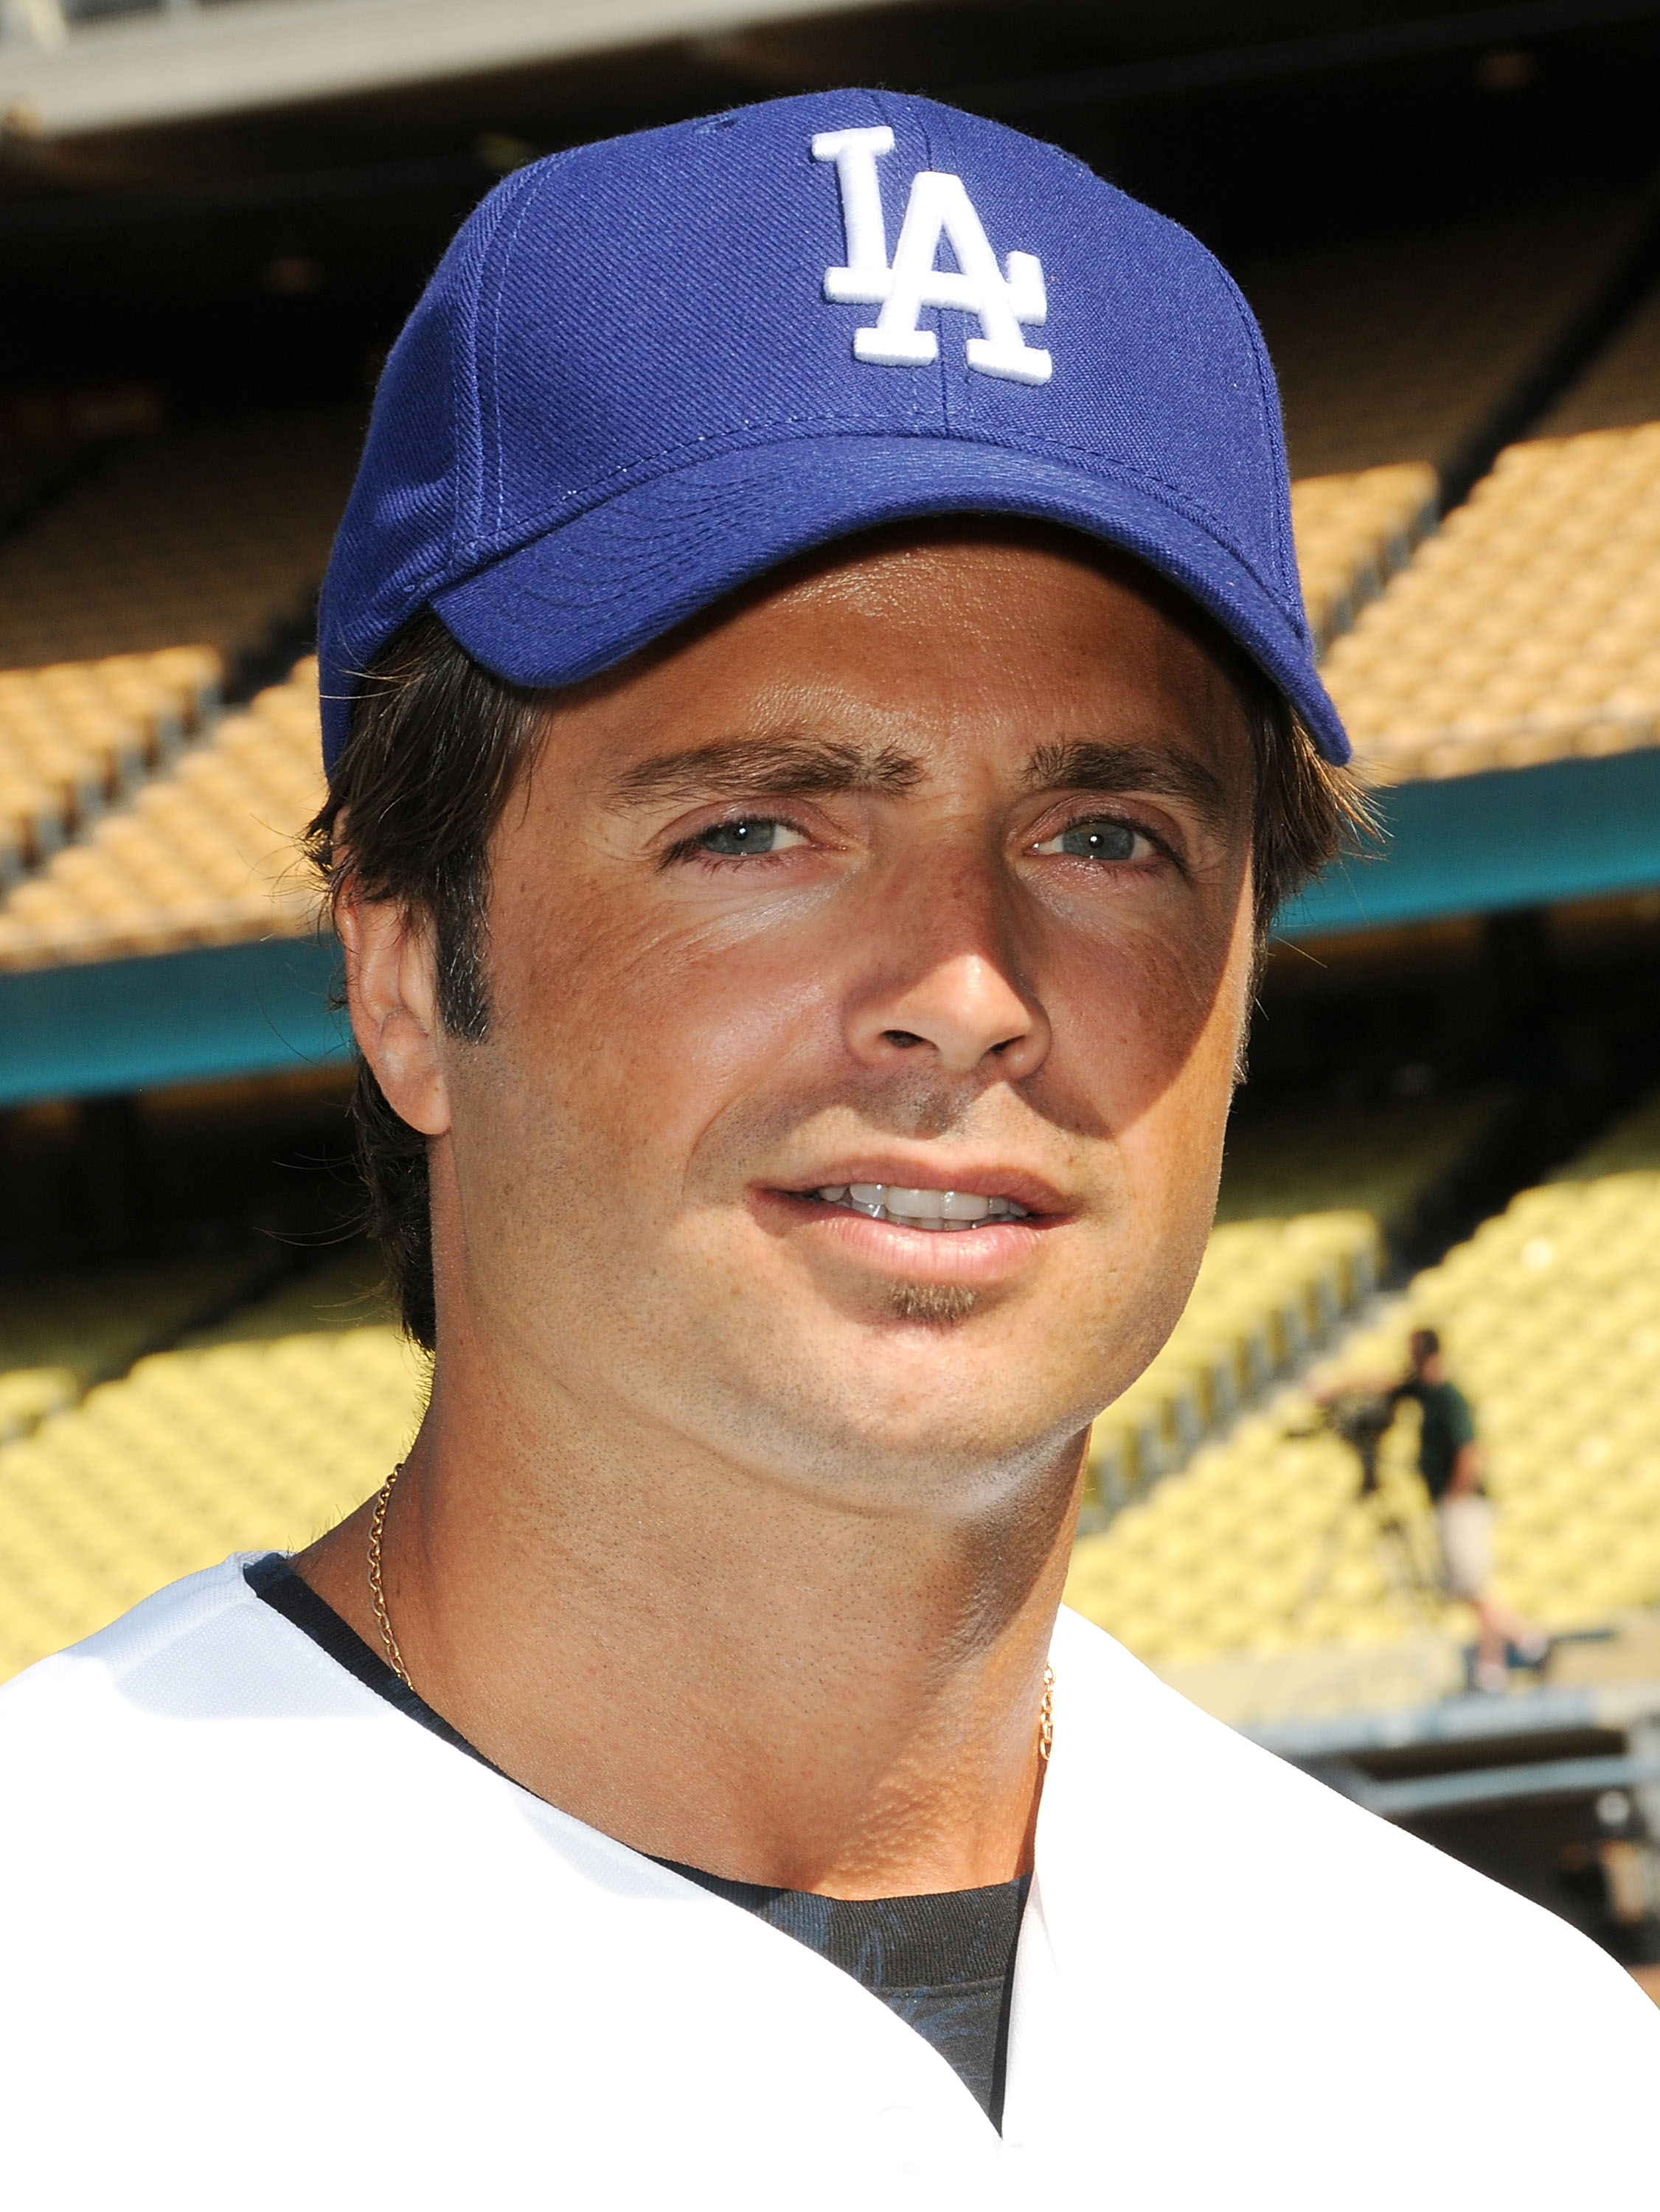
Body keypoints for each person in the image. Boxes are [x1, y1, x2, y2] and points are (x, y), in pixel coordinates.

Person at [0, 92, 1653, 2208]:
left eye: (1103, 836)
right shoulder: (62, 1993)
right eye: (758, 828)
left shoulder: (1501, 2073)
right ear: (407, 967)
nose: (965, 983)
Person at [1394, 1325, 1549, 1691]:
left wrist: (1454, 1496)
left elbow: (1469, 1452)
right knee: (1471, 1588)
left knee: (1470, 1589)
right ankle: (1490, 1667)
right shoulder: (1424, 1394)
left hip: (1460, 1503)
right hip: (1451, 1503)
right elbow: (1387, 1386)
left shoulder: (1449, 1398)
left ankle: (1528, 1639)